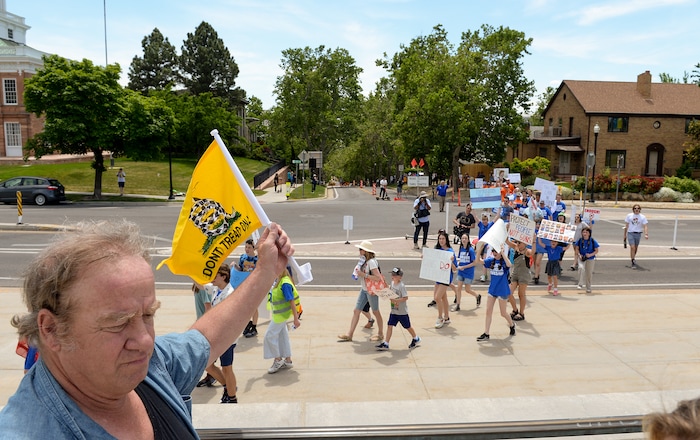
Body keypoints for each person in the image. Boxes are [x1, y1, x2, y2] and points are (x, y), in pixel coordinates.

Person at [0, 219, 294, 437]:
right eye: (118, 323)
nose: (143, 340)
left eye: (148, 315)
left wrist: (266, 271)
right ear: (51, 329)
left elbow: (205, 338)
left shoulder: (150, 367)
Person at [197, 265, 239, 403]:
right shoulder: (216, 289)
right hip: (216, 337)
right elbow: (201, 286)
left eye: (215, 276)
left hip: (226, 338)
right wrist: (187, 271)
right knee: (207, 365)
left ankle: (232, 397)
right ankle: (228, 387)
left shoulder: (229, 294)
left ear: (223, 276)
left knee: (227, 368)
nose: (212, 278)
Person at [338, 240, 385, 343]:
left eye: (360, 249)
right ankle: (349, 334)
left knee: (376, 312)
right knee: (356, 311)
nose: (359, 251)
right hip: (364, 289)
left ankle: (381, 334)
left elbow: (378, 278)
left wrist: (363, 275)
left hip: (371, 291)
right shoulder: (363, 260)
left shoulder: (371, 262)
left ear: (365, 251)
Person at [264, 267, 301, 374]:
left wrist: (296, 319)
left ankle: (278, 359)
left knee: (269, 336)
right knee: (283, 336)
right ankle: (288, 360)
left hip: (281, 316)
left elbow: (291, 301)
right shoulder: (279, 280)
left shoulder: (284, 283)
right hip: (279, 315)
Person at [476, 244, 516, 341]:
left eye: (496, 251)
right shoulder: (491, 261)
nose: (494, 253)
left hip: (502, 290)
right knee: (488, 311)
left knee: (503, 313)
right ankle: (486, 333)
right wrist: (480, 250)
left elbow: (509, 264)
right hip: (492, 290)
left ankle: (512, 324)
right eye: (493, 251)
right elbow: (479, 261)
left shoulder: (504, 262)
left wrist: (502, 252)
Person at [375, 267, 421, 351]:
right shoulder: (392, 283)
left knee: (407, 326)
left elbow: (405, 297)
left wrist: (396, 300)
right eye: (392, 275)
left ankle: (416, 338)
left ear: (400, 277)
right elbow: (390, 291)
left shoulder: (401, 286)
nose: (393, 276)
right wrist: (384, 286)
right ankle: (386, 343)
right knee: (389, 325)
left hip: (402, 312)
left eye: (395, 275)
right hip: (394, 311)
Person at [234, 238, 260, 338]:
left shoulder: (257, 260)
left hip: (254, 286)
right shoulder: (243, 258)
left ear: (254, 248)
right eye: (246, 247)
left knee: (253, 307)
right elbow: (240, 269)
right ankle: (248, 322)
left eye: (249, 247)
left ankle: (254, 325)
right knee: (245, 306)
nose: (247, 249)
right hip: (244, 285)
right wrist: (235, 266)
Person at [192, 283, 216, 388]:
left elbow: (208, 307)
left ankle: (214, 376)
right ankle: (211, 375)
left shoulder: (203, 287)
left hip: (204, 326)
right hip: (202, 323)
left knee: (205, 355)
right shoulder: (198, 286)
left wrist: (204, 326)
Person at [431, 230, 456, 329]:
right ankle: (447, 316)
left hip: (445, 278)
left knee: (437, 297)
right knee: (443, 298)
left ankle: (440, 317)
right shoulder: (437, 250)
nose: (441, 240)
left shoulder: (450, 252)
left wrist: (452, 262)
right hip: (438, 276)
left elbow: (454, 269)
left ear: (446, 240)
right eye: (440, 239)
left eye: (443, 239)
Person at [506, 237, 534, 321]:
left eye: (520, 243)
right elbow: (507, 241)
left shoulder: (527, 251)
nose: (518, 244)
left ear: (525, 244)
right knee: (508, 292)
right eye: (517, 242)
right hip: (515, 273)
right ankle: (515, 309)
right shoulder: (516, 247)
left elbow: (532, 252)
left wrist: (535, 241)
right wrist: (507, 231)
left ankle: (521, 313)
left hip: (523, 274)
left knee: (521, 294)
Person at [453, 233, 480, 311]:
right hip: (461, 271)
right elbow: (460, 259)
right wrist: (457, 265)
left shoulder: (470, 250)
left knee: (467, 290)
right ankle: (458, 305)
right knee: (459, 288)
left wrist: (464, 267)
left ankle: (477, 296)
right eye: (462, 238)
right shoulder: (461, 249)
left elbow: (474, 262)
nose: (464, 240)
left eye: (465, 238)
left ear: (468, 240)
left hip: (468, 272)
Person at [574, 227, 599, 293]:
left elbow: (596, 250)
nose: (584, 234)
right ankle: (580, 284)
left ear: (589, 234)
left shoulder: (593, 241)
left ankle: (588, 287)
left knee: (589, 273)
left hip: (590, 258)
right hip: (582, 258)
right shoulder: (580, 240)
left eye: (586, 232)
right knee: (581, 268)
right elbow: (577, 249)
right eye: (583, 232)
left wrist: (590, 255)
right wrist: (579, 255)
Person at [624, 204, 649, 269]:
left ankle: (633, 257)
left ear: (640, 209)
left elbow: (645, 226)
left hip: (638, 234)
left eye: (638, 208)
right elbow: (626, 226)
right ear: (633, 209)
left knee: (636, 247)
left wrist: (646, 234)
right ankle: (633, 261)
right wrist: (624, 235)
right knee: (632, 247)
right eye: (635, 208)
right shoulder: (629, 216)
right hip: (630, 233)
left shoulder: (642, 217)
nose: (636, 209)